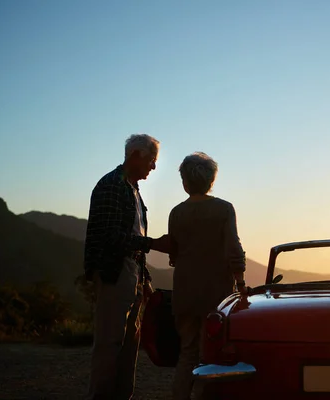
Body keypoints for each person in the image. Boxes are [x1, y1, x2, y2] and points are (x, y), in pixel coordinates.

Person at [84, 133, 169, 400]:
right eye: (152, 160)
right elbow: (110, 236)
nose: (154, 166)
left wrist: (144, 279)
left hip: (130, 276)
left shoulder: (131, 188)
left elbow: (129, 235)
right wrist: (153, 243)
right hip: (114, 274)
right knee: (110, 345)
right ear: (135, 156)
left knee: (129, 346)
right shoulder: (112, 185)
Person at [168, 151, 247, 400]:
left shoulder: (176, 213)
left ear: (185, 182)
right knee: (210, 357)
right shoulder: (224, 209)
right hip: (216, 293)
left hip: (184, 292)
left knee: (187, 353)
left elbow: (174, 255)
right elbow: (233, 248)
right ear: (211, 181)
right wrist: (241, 281)